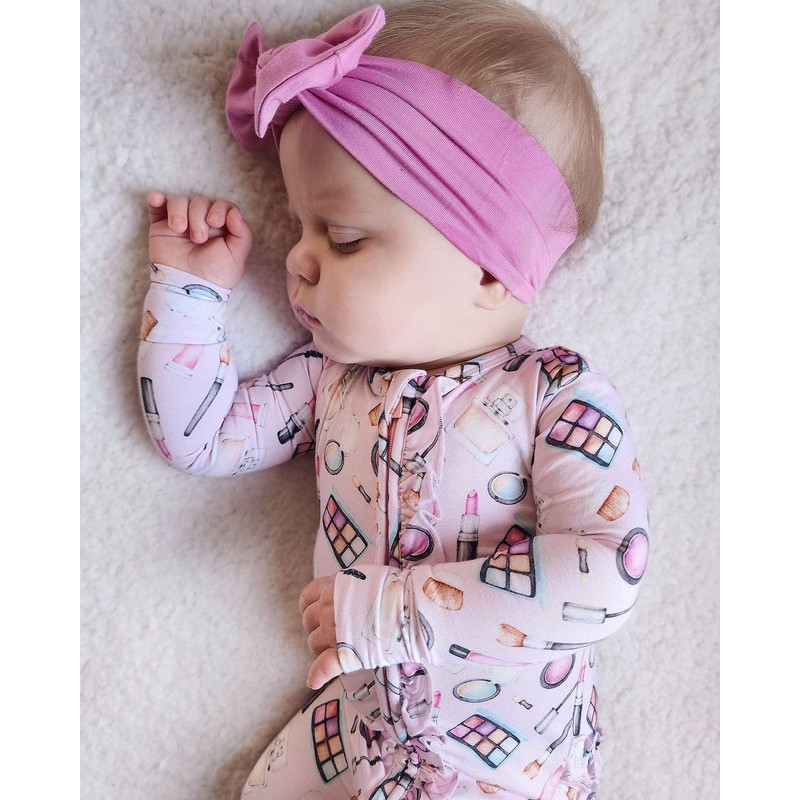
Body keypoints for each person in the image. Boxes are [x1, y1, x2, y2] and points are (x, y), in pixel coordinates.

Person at [138, 2, 650, 798]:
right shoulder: (329, 380)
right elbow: (200, 436)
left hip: (502, 771)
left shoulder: (554, 394)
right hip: (350, 743)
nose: (296, 260)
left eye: (343, 238)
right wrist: (190, 294)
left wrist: (395, 614)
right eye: (301, 228)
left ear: (489, 270)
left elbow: (608, 570)